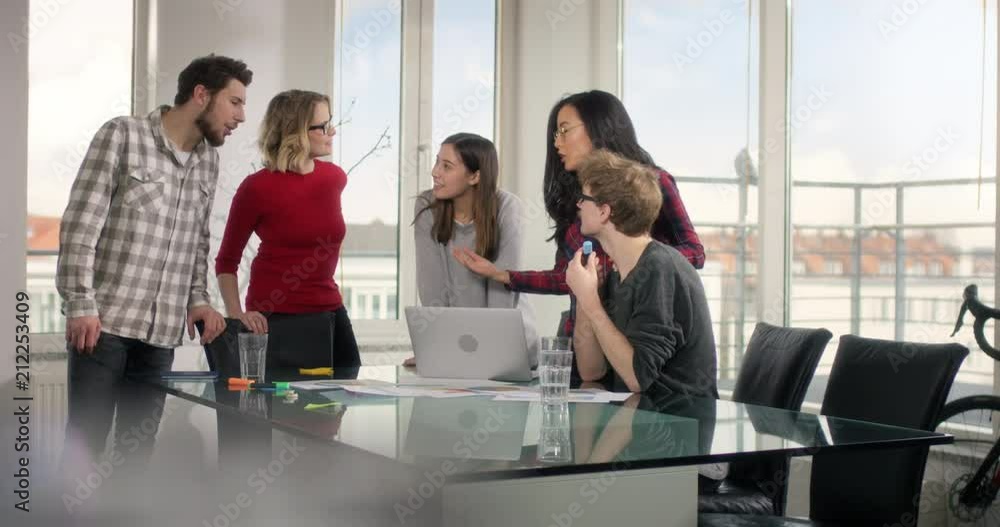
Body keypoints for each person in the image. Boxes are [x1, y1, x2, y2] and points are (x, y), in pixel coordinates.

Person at [57, 54, 252, 461]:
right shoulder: (122, 136)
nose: (241, 116)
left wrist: (198, 299)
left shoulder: (207, 161)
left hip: (161, 336)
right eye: (235, 102)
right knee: (84, 450)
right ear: (201, 94)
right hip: (103, 327)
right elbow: (80, 224)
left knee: (136, 455)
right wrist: (79, 302)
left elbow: (198, 241)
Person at [452, 90, 704, 340]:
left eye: (565, 130)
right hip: (582, 340)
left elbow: (695, 253)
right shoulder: (576, 200)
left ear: (599, 127)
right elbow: (565, 278)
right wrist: (500, 274)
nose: (556, 143)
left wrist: (629, 262)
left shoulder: (653, 183)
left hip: (637, 338)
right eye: (555, 134)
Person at [215, 89, 361, 368]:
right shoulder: (256, 188)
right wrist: (236, 315)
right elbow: (226, 262)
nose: (332, 132)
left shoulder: (334, 178)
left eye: (331, 123)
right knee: (292, 410)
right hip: (278, 318)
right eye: (322, 126)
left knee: (346, 401)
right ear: (296, 132)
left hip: (331, 310)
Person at [565, 149, 717, 397]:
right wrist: (585, 297)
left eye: (584, 197)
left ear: (604, 211)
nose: (578, 204)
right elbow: (591, 372)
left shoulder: (659, 268)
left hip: (679, 423)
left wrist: (592, 304)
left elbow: (637, 377)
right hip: (639, 419)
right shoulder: (617, 272)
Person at [403, 133, 539, 366]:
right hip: (456, 343)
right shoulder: (428, 207)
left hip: (508, 343)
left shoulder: (507, 207)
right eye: (437, 162)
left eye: (446, 166)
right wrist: (438, 347)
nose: (435, 172)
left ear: (475, 176)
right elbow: (431, 288)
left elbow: (502, 292)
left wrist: (483, 353)